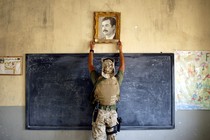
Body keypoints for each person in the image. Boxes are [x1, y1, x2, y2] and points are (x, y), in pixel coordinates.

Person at [88, 41, 125, 140]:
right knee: (112, 138)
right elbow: (122, 66)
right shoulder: (117, 80)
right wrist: (120, 49)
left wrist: (91, 49)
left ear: (102, 69)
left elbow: (90, 66)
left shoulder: (97, 79)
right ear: (113, 68)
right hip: (112, 114)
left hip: (100, 113)